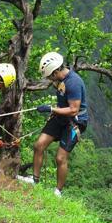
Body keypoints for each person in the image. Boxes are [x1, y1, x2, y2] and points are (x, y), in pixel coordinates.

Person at [20, 52, 88, 197]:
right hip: (60, 117)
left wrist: (50, 108)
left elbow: (74, 109)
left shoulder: (73, 82)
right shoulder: (60, 80)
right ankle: (35, 180)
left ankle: (58, 191)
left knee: (60, 158)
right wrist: (53, 110)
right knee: (39, 145)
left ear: (56, 71)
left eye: (50, 76)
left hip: (75, 121)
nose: (49, 79)